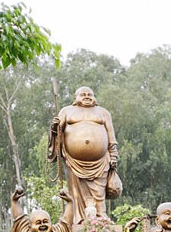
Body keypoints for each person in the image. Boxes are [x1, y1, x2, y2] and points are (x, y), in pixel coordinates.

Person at [47, 86, 120, 224]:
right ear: (75, 98)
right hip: (73, 160)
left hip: (101, 160)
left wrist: (113, 155)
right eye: (83, 94)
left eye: (89, 94)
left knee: (99, 192)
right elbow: (57, 133)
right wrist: (54, 129)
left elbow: (111, 136)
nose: (87, 96)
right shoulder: (66, 111)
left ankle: (101, 217)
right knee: (75, 192)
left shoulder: (103, 113)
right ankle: (78, 219)